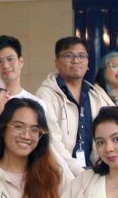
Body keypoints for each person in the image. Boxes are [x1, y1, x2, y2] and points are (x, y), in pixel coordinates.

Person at [36, 35, 107, 172]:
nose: (76, 61)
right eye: (69, 56)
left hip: (94, 172)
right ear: (56, 62)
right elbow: (52, 141)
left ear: (87, 62)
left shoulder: (96, 95)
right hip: (59, 172)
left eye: (81, 56)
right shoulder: (46, 94)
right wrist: (79, 173)